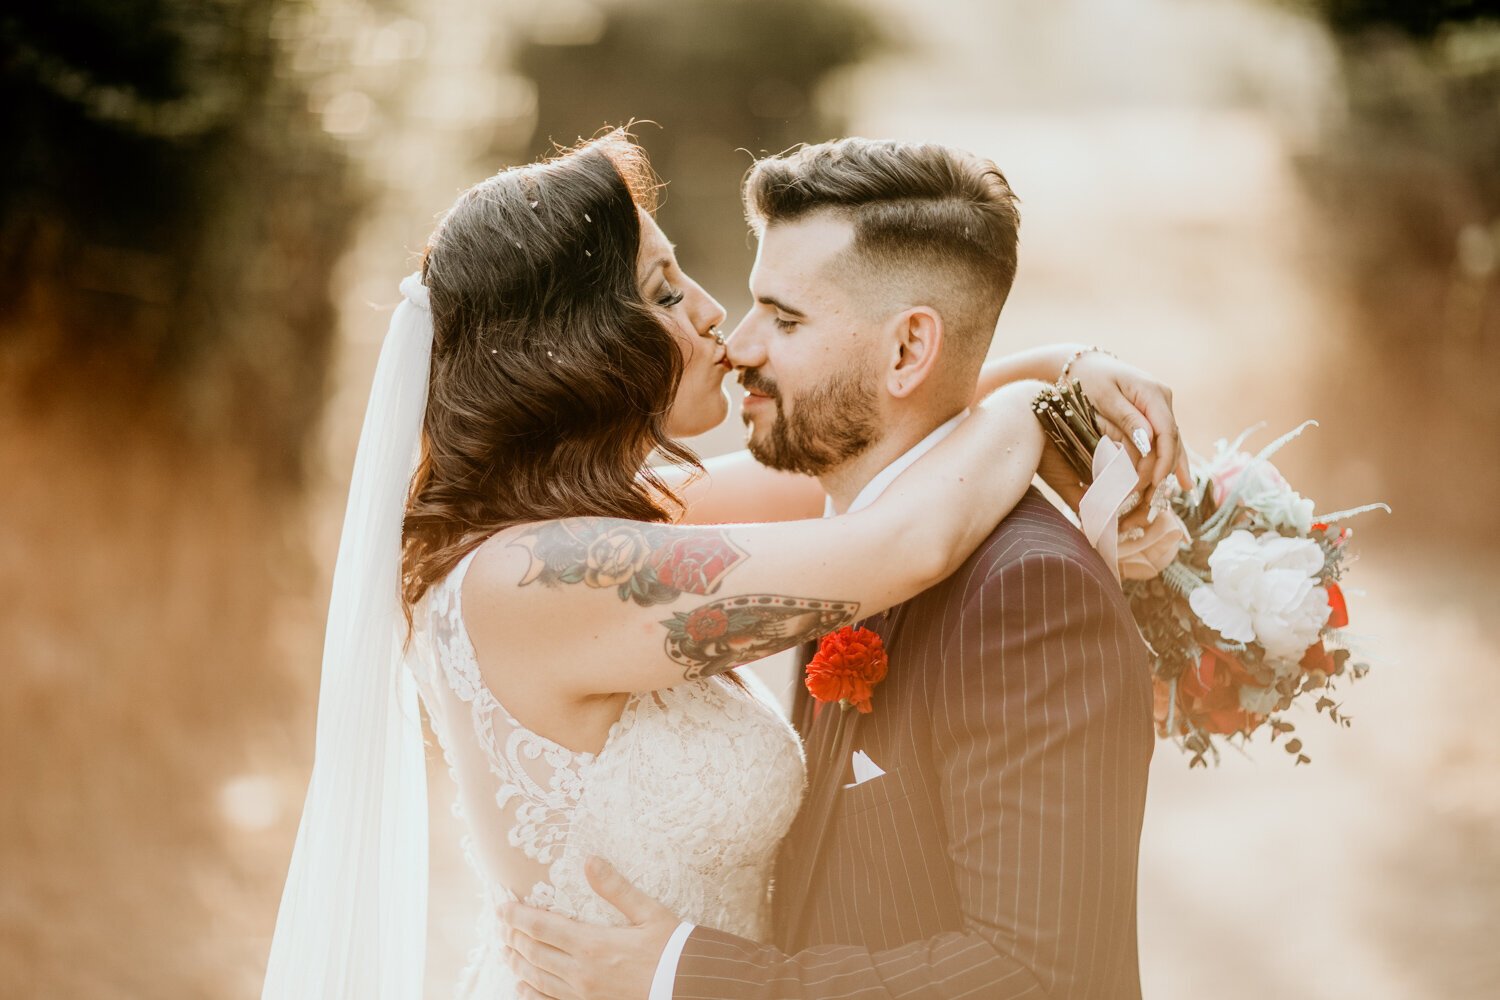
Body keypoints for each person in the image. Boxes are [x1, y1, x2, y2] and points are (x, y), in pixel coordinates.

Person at [260, 131, 1183, 1000]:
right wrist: (1034, 409)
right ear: (574, 348)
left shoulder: (594, 525)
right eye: (664, 293)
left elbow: (867, 448)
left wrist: (1062, 368)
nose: (717, 322)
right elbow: (901, 540)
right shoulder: (543, 575)